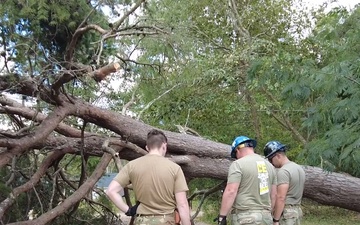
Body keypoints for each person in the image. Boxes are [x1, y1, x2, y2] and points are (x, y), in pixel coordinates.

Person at [106, 129, 191, 225]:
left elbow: (111, 191)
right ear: (164, 146)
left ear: (147, 147)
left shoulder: (132, 166)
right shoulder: (175, 168)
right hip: (166, 221)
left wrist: (129, 210)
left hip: (141, 221)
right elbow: (182, 204)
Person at [215, 136, 277, 225]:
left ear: (237, 150)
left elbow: (231, 191)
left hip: (245, 218)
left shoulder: (238, 164)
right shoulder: (270, 166)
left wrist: (222, 217)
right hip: (266, 218)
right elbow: (274, 194)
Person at [264, 141, 305, 225]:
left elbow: (281, 197)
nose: (271, 163)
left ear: (278, 156)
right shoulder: (298, 168)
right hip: (297, 211)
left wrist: (276, 219)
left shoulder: (283, 171)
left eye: (270, 159)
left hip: (287, 214)